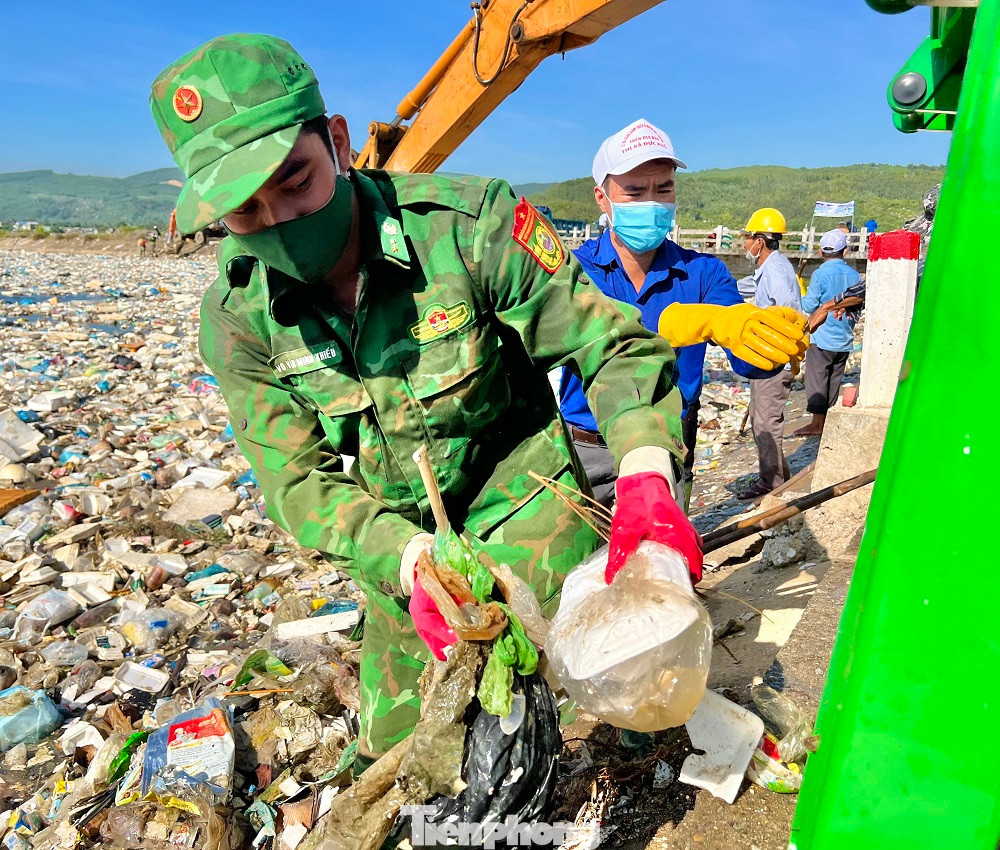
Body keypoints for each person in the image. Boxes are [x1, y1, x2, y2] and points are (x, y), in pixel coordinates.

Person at [150, 34, 701, 773]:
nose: (279, 220)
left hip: (523, 497)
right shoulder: (239, 315)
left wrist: (642, 473)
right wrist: (407, 561)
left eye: (295, 182)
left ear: (338, 142)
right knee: (409, 758)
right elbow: (295, 479)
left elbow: (609, 346)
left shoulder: (466, 228)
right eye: (244, 212)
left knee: (586, 713)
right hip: (403, 541)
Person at [558, 119, 806, 508]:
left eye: (664, 189)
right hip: (587, 447)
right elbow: (563, 340)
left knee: (660, 562)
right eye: (635, 192)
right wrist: (672, 325)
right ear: (602, 198)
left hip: (670, 442)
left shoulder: (705, 273)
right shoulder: (572, 270)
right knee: (580, 562)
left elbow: (746, 365)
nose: (652, 203)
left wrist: (761, 339)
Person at [735, 208, 804, 499]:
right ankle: (780, 476)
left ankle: (771, 482)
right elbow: (746, 287)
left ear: (760, 242)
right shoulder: (770, 268)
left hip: (777, 358)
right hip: (772, 356)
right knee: (762, 417)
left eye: (748, 238)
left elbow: (786, 312)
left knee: (766, 421)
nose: (745, 244)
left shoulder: (775, 270)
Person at [794, 230, 862, 437]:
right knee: (834, 379)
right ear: (846, 251)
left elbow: (809, 305)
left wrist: (800, 291)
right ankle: (827, 420)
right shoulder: (854, 274)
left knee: (817, 378)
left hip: (821, 335)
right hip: (844, 336)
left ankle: (817, 423)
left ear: (822, 251)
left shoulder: (821, 274)